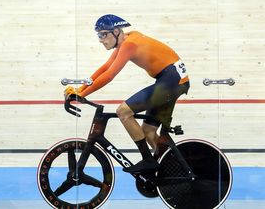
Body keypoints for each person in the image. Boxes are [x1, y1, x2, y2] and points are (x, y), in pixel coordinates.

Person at [64, 14, 190, 174]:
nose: (100, 39)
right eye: (99, 35)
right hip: (172, 80)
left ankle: (148, 160)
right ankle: (174, 170)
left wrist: (84, 94)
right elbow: (105, 68)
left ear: (116, 31)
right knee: (149, 132)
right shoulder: (126, 40)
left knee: (123, 112)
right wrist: (80, 90)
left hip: (171, 81)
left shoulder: (129, 44)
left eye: (103, 34)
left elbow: (109, 75)